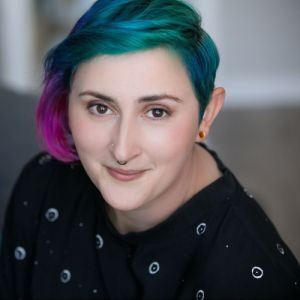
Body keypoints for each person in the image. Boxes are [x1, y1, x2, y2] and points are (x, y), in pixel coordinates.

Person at [1, 0, 299, 299]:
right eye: (100, 107)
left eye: (156, 112)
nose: (122, 149)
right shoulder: (41, 187)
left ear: (206, 114)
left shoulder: (254, 282)